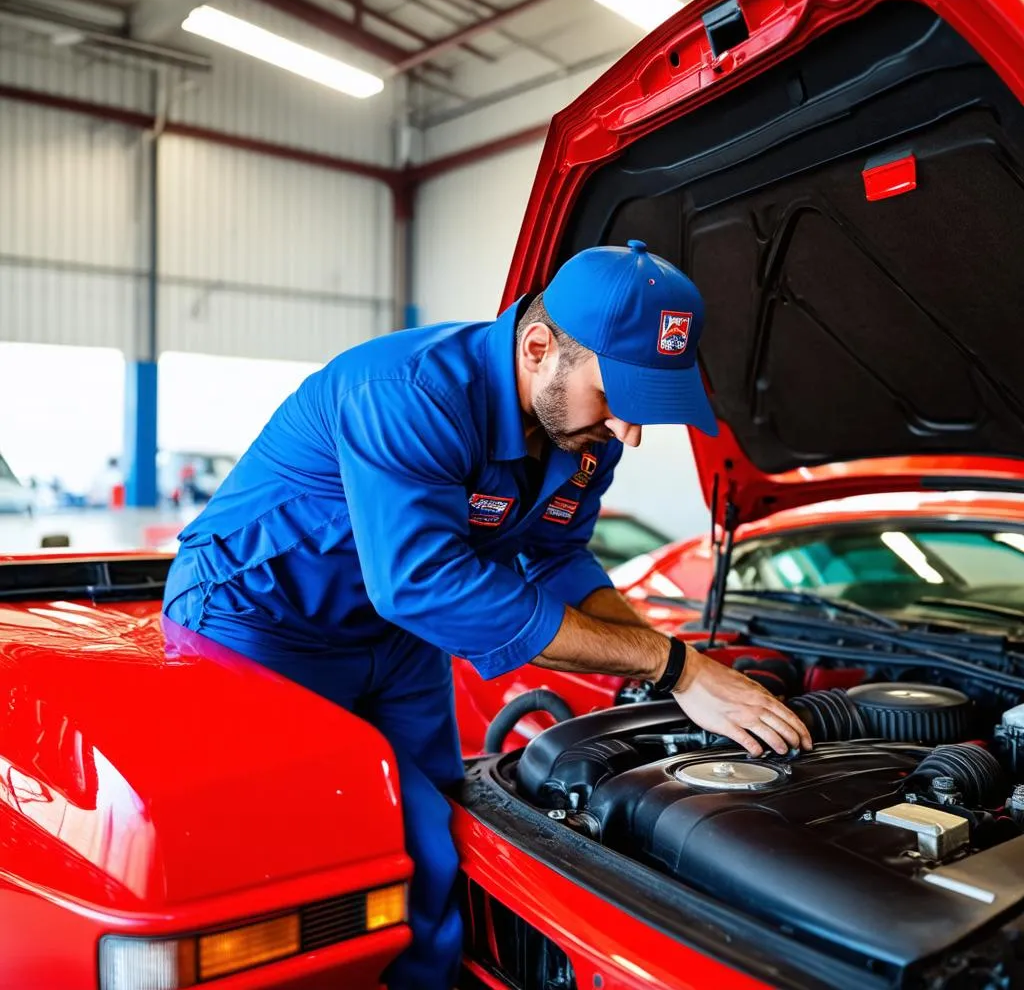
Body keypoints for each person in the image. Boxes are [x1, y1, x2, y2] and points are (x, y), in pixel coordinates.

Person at [162, 239, 812, 990]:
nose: (631, 431)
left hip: (394, 634)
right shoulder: (410, 390)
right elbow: (421, 581)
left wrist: (679, 664)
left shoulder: (584, 433)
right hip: (258, 619)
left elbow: (559, 559)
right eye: (619, 397)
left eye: (649, 406)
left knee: (434, 829)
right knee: (292, 847)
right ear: (538, 347)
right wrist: (673, 666)